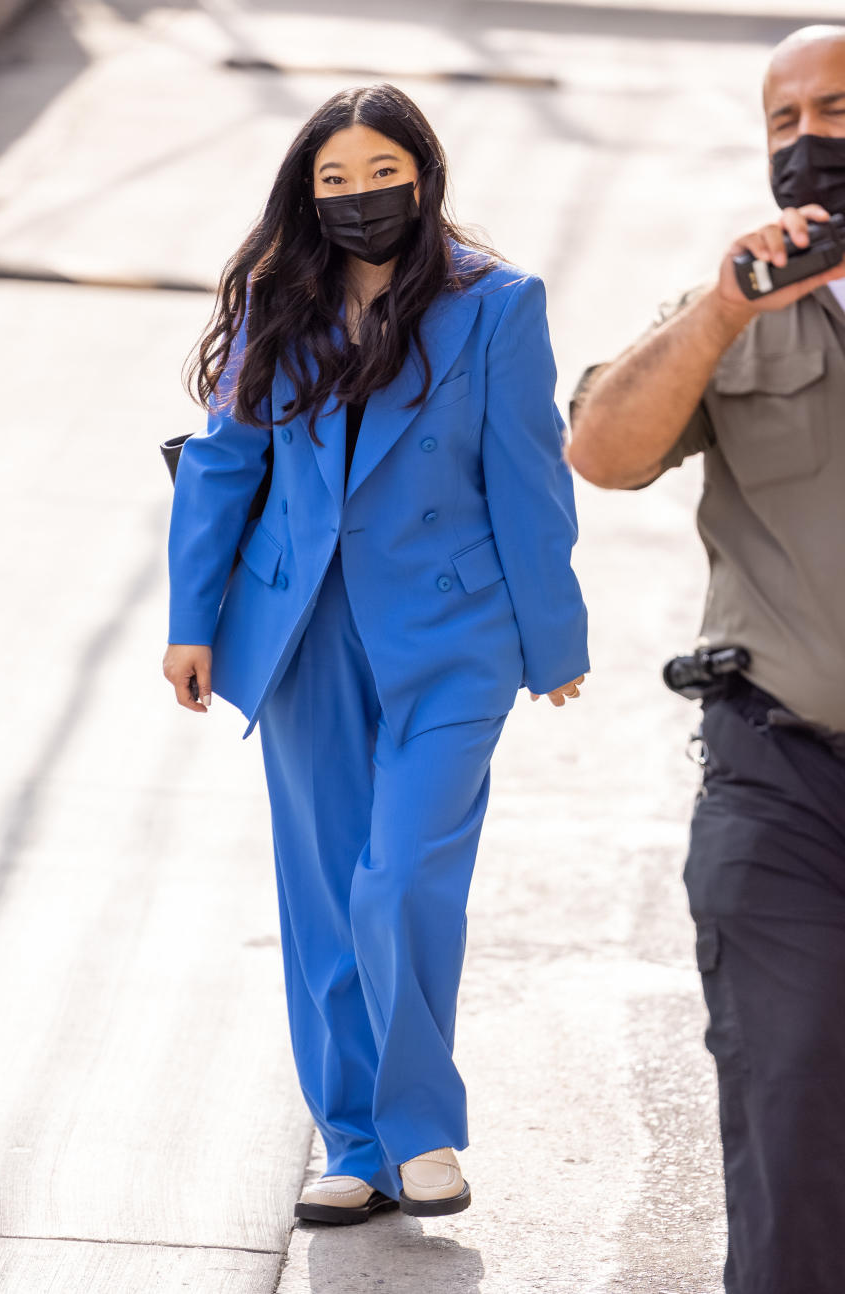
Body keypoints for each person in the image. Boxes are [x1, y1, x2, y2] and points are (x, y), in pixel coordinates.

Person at [163, 83, 588, 1224]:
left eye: (379, 175)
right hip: (300, 633)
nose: (359, 200)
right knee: (323, 899)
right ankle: (353, 1141)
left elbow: (529, 477)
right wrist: (191, 621)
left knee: (399, 881)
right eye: (332, 181)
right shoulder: (280, 296)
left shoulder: (496, 306)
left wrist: (555, 637)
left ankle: (421, 1130)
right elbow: (223, 463)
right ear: (307, 196)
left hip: (453, 636)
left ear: (424, 174)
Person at [568, 25, 845, 1294]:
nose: (806, 143)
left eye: (833, 111)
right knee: (790, 1108)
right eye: (783, 122)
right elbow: (605, 449)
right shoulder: (735, 306)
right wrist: (727, 307)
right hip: (780, 775)